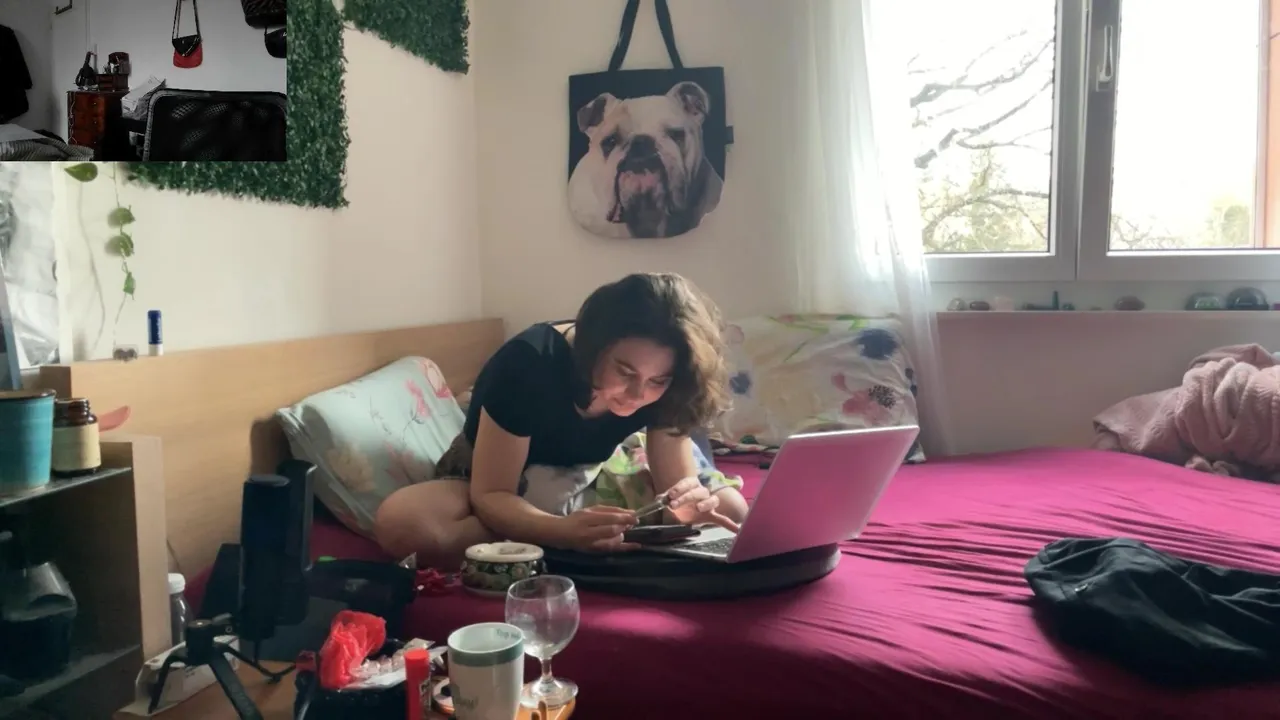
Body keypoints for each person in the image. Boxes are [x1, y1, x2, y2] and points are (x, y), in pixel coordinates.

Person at [374, 273, 749, 570]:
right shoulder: (527, 363)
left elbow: (675, 489)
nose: (638, 394)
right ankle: (569, 533)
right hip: (498, 478)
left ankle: (555, 537)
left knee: (731, 510)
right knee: (405, 525)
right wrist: (559, 531)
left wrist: (683, 507)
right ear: (593, 347)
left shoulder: (672, 382)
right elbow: (491, 493)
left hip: (594, 470)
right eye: (625, 372)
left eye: (657, 381)